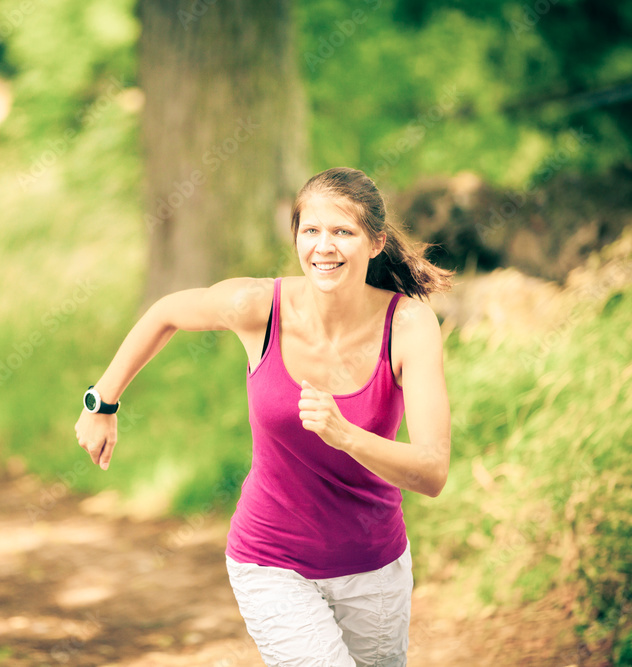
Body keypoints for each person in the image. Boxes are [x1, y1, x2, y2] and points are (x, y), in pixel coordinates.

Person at [74, 167, 454, 666]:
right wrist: (102, 402)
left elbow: (431, 471)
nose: (324, 247)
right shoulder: (258, 306)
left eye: (343, 231)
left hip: (373, 567)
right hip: (271, 561)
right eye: (311, 230)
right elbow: (166, 312)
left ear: (376, 242)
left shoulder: (407, 325)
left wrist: (346, 435)